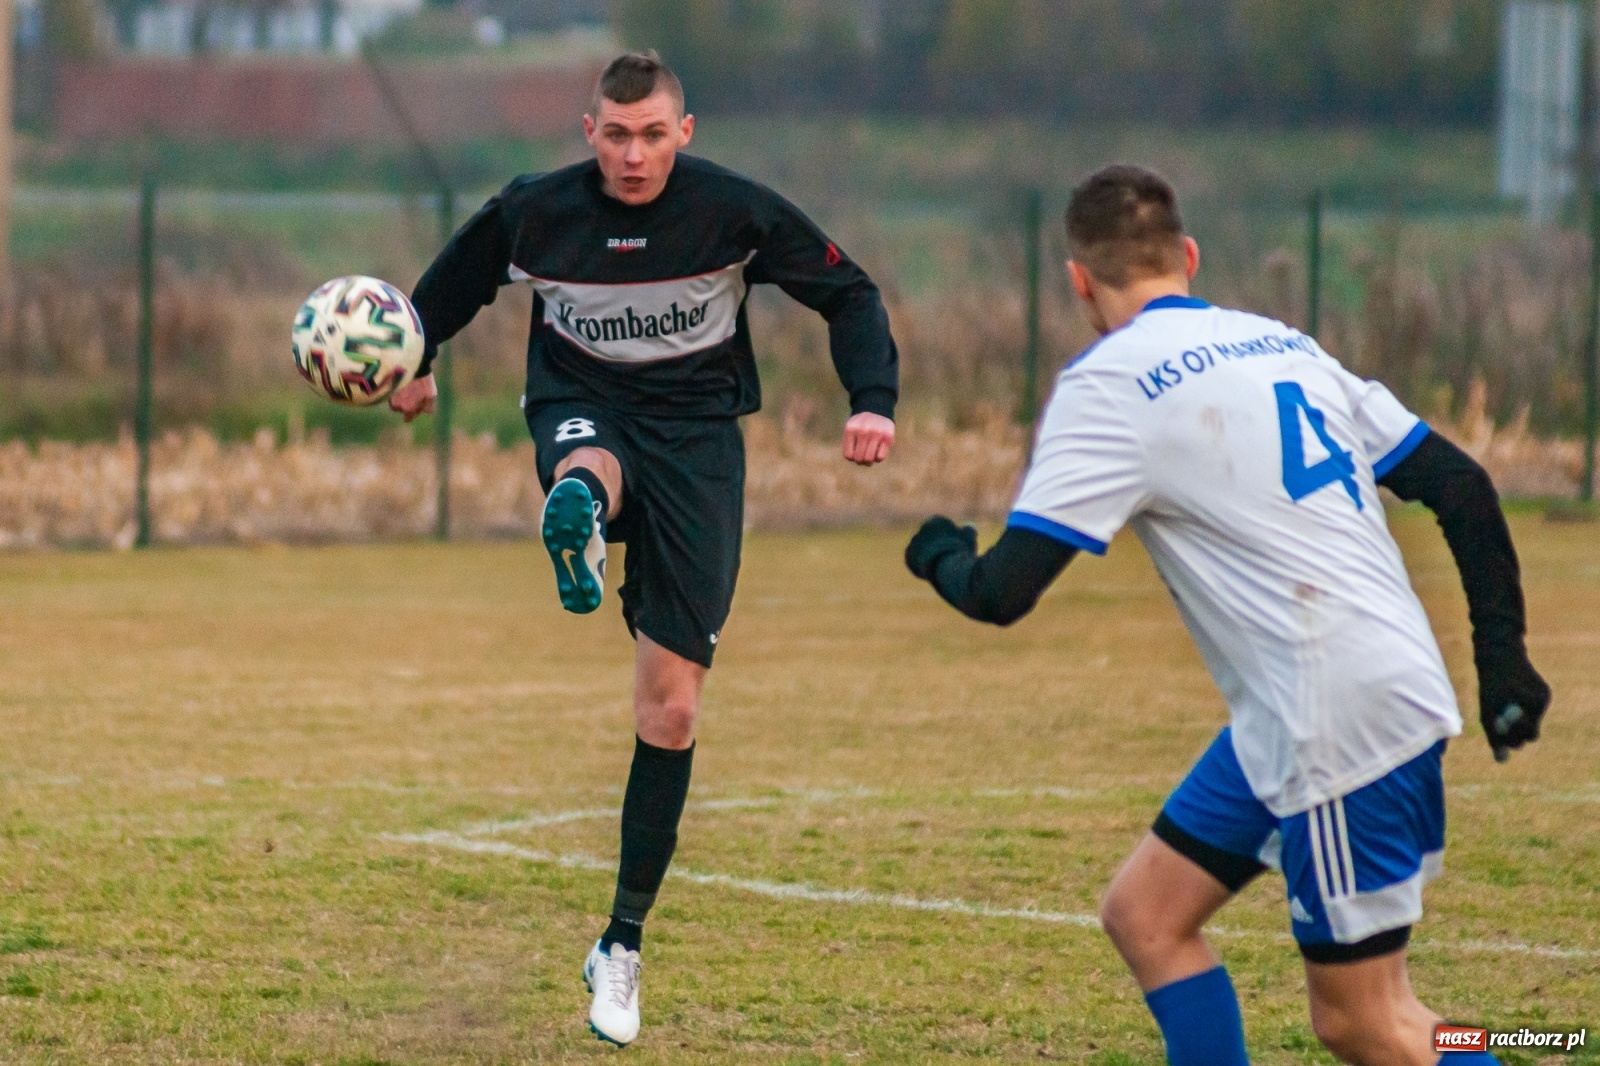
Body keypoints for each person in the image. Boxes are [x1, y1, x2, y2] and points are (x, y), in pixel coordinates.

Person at [904, 165, 1549, 1066]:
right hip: (1324, 700)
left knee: (1366, 1020)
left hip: (1333, 718)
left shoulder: (1108, 385)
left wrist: (937, 553)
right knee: (1146, 915)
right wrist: (1504, 660)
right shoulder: (1279, 343)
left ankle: (1533, 1046)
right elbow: (1462, 486)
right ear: (1189, 258)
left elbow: (1001, 592)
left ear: (1077, 280)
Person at [390, 51, 899, 1046]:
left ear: (684, 132)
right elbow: (445, 288)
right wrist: (413, 360)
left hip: (699, 440)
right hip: (584, 406)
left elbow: (852, 291)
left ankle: (619, 944)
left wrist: (872, 399)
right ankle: (575, 510)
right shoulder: (535, 213)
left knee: (670, 709)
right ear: (589, 133)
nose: (632, 155)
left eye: (652, 135)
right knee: (587, 465)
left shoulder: (732, 212)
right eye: (615, 135)